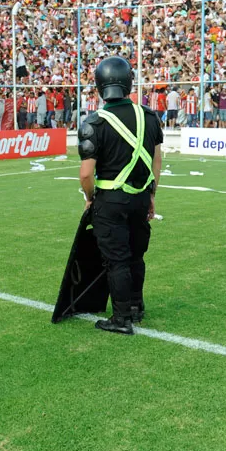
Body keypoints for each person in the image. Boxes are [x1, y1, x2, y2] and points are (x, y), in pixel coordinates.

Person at [78, 56, 163, 335]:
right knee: (136, 255)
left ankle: (121, 318)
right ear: (129, 83)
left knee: (117, 259)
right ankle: (137, 307)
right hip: (140, 197)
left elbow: (86, 174)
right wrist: (151, 194)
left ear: (99, 85)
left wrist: (90, 198)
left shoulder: (94, 122)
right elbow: (156, 161)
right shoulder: (150, 117)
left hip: (110, 200)